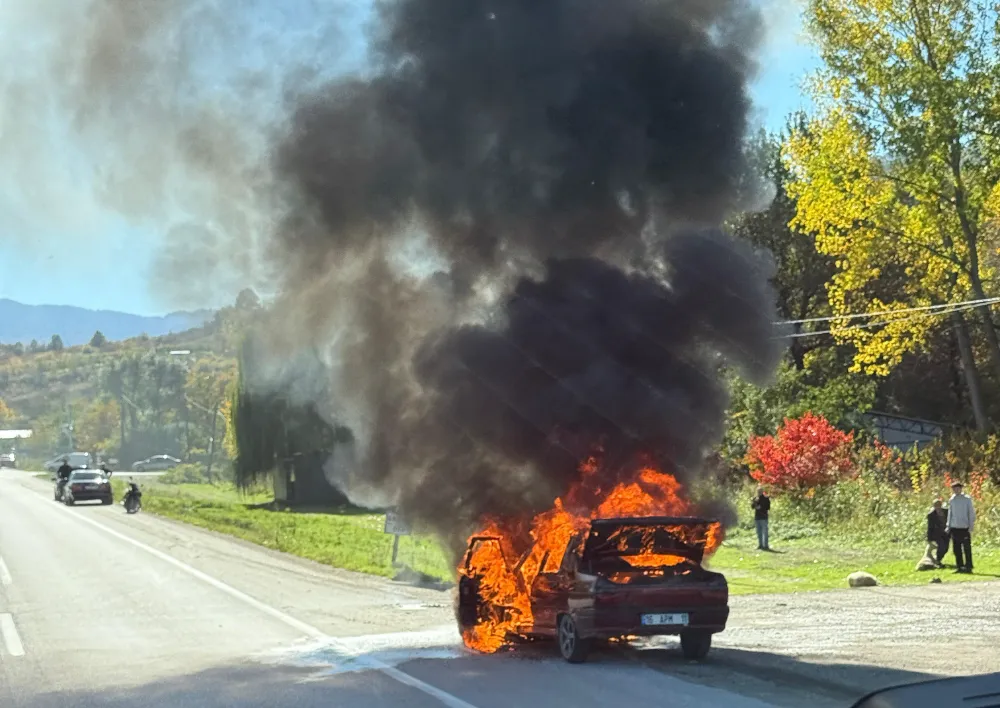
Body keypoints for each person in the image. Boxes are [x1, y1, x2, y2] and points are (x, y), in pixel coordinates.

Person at [946, 481, 975, 573]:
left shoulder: (967, 499)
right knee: (956, 549)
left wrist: (971, 525)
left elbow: (971, 513)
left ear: (961, 489)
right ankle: (960, 566)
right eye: (954, 489)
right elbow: (950, 513)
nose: (956, 490)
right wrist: (948, 525)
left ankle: (969, 566)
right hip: (955, 527)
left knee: (966, 548)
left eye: (958, 488)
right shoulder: (952, 500)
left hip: (964, 527)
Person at [921, 498, 949, 569]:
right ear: (934, 506)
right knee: (941, 547)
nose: (938, 507)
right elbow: (930, 527)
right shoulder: (931, 515)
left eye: (939, 505)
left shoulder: (947, 511)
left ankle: (937, 559)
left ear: (941, 505)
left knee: (946, 548)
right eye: (936, 505)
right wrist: (929, 539)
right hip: (937, 534)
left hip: (946, 533)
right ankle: (937, 561)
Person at [751, 486, 771, 551]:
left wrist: (761, 507)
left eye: (760, 491)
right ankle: (760, 545)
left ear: (762, 491)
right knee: (759, 532)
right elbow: (752, 507)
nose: (759, 492)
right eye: (758, 491)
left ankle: (766, 545)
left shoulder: (766, 498)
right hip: (757, 517)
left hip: (764, 517)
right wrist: (755, 502)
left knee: (765, 532)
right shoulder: (755, 498)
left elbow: (768, 507)